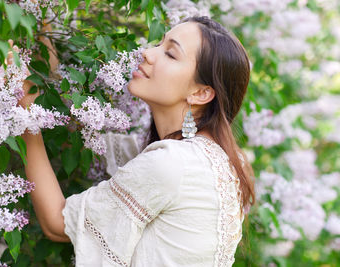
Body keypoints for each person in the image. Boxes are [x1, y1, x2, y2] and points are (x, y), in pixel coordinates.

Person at [13, 16, 255, 266]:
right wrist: (43, 27)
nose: (147, 53)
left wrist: (27, 116)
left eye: (170, 54)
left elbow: (56, 222)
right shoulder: (215, 160)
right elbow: (72, 138)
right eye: (159, 44)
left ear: (201, 93)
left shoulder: (171, 164)